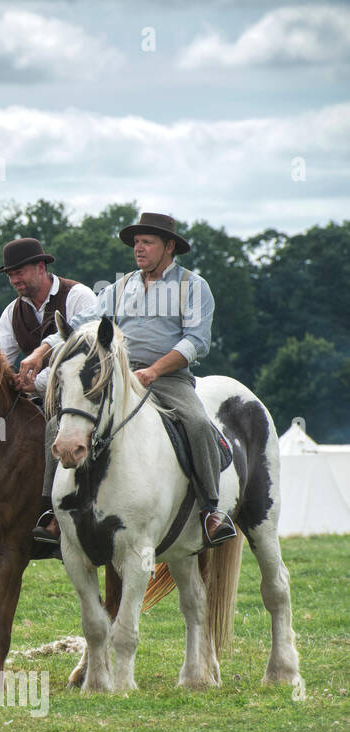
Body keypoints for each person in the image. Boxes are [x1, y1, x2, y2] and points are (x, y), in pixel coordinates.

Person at [23, 212, 236, 553]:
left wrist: (154, 371)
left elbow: (196, 342)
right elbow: (82, 322)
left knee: (196, 423)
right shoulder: (118, 288)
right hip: (117, 375)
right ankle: (51, 512)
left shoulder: (193, 286)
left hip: (168, 378)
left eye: (147, 242)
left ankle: (212, 510)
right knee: (57, 425)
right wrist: (40, 351)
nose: (139, 249)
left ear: (169, 247)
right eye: (136, 242)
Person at [0, 237, 98, 395]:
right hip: (40, 404)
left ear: (41, 268)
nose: (14, 280)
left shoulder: (78, 296)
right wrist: (7, 379)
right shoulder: (11, 313)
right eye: (10, 275)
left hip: (84, 399)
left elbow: (87, 353)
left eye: (19, 273)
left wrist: (38, 382)